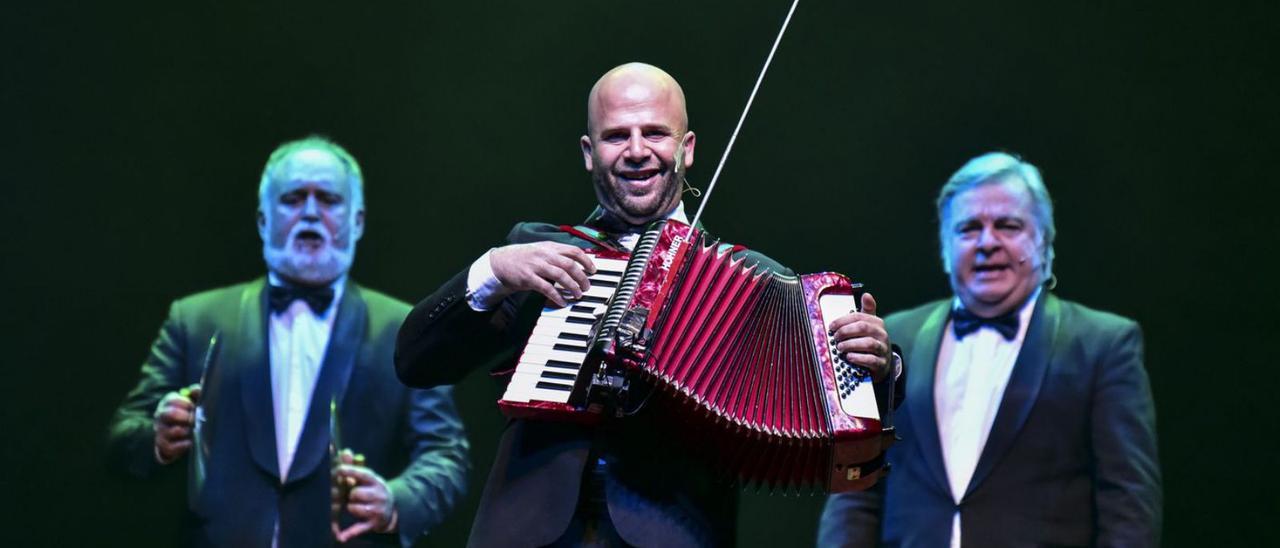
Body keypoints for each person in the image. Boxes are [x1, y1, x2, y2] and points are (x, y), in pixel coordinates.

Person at [393, 62, 900, 547]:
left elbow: (838, 410)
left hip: (677, 531)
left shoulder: (763, 282)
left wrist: (879, 368)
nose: (637, 151)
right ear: (590, 152)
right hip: (527, 533)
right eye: (617, 136)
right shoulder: (537, 252)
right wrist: (492, 271)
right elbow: (416, 363)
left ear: (688, 148)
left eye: (655, 133)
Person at [106, 136, 470, 547]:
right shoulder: (194, 319)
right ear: (263, 220)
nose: (311, 213)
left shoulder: (404, 328)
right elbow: (122, 437)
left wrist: (395, 499)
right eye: (293, 198)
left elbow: (446, 456)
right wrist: (156, 439)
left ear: (357, 221)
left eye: (329, 200)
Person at [819, 152, 1162, 547]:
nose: (987, 243)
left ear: (1045, 242)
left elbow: (1129, 505)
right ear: (945, 249)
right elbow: (855, 494)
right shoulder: (895, 338)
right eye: (968, 228)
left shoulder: (1104, 345)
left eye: (1008, 225)